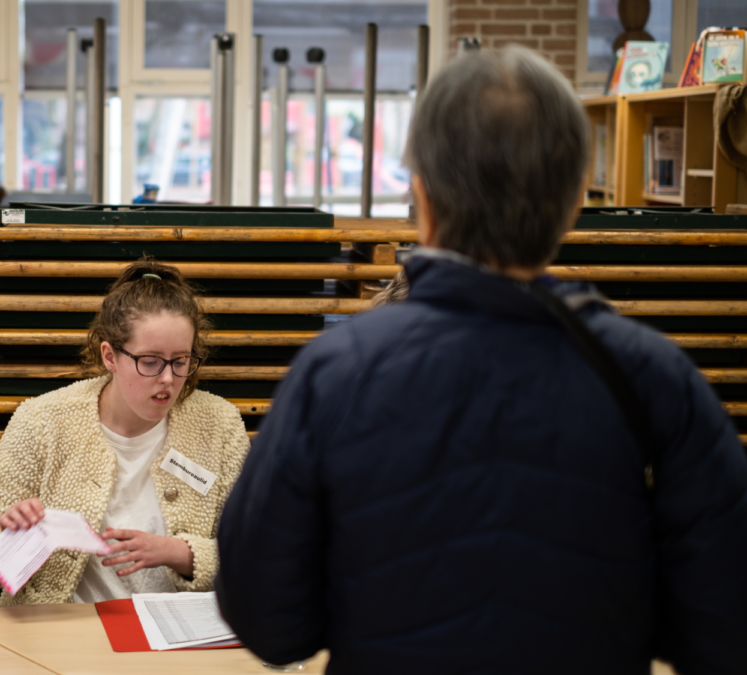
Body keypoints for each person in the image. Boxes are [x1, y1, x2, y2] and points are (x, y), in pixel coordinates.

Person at [217, 47, 747, 674]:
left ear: (423, 197)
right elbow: (724, 627)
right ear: (576, 199)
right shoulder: (654, 374)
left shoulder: (337, 372)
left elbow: (268, 620)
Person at [0, 259, 251, 605]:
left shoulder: (219, 425)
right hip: (59, 638)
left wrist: (180, 552)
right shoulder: (41, 421)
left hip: (180, 638)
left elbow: (254, 555)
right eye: (150, 361)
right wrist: (14, 539)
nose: (168, 378)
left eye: (181, 360)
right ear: (109, 356)